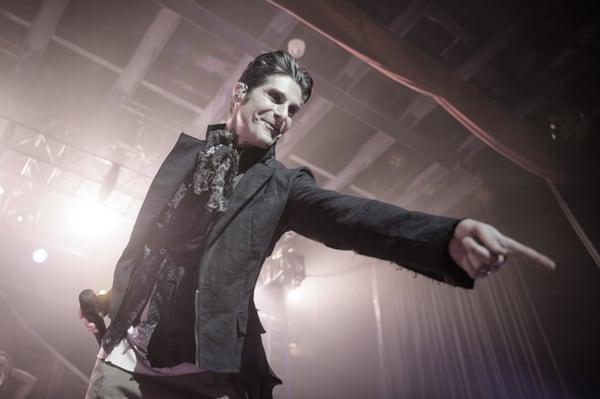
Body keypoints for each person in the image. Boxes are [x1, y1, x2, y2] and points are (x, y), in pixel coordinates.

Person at [80, 50, 555, 399]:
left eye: (293, 110)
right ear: (241, 93)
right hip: (121, 361)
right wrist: (108, 303)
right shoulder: (188, 158)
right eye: (276, 98)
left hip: (203, 377)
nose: (284, 115)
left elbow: (350, 218)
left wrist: (444, 236)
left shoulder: (282, 188)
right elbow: (153, 252)